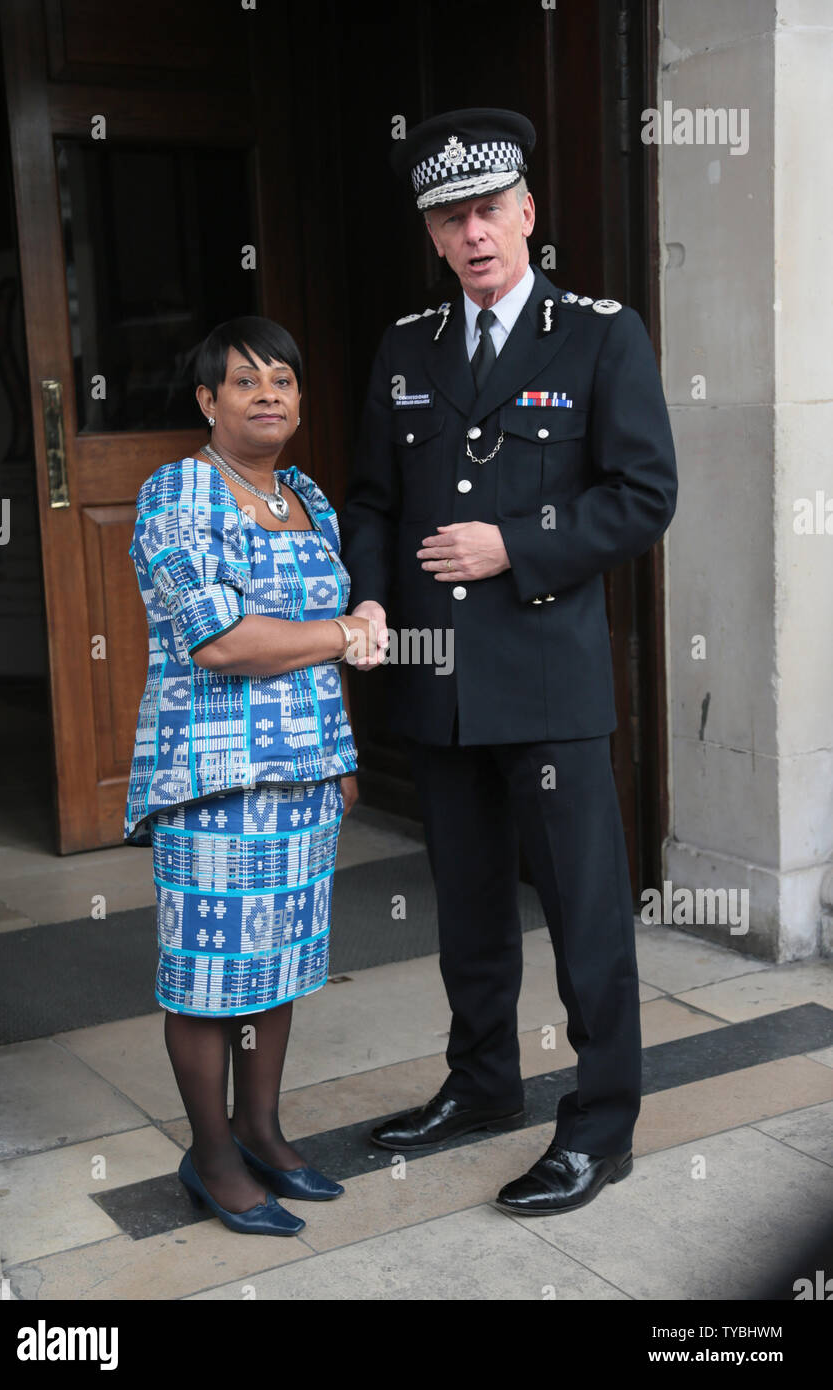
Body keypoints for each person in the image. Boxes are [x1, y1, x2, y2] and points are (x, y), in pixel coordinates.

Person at [340, 109, 678, 1216]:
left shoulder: (599, 335)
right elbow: (377, 502)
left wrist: (513, 546)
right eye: (450, 216)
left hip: (545, 677)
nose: (473, 232)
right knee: (469, 907)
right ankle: (483, 1082)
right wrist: (372, 591)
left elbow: (640, 496)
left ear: (526, 213)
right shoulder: (405, 348)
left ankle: (600, 1124)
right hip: (436, 679)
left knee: (583, 913)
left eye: (489, 209)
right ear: (431, 235)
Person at [125, 316, 377, 1235]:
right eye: (245, 380)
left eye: (283, 379)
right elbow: (220, 640)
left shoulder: (308, 491)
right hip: (216, 771)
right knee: (206, 972)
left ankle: (263, 1130)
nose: (269, 393)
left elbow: (313, 656)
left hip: (306, 771)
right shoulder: (178, 493)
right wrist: (348, 632)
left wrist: (341, 752)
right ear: (208, 400)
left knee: (275, 956)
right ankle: (213, 1157)